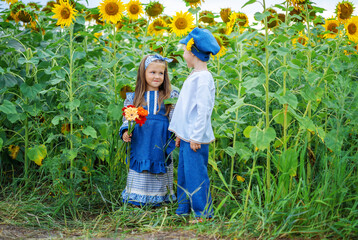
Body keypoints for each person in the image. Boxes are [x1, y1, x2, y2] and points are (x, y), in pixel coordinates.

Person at [168, 27, 220, 222]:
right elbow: (186, 110)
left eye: (184, 50)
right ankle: (184, 207)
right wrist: (181, 134)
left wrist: (196, 136)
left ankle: (202, 212)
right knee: (183, 173)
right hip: (188, 136)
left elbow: (203, 110)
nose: (183, 54)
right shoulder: (195, 75)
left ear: (192, 52)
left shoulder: (204, 79)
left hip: (195, 139)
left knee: (196, 174)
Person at [120, 54, 178, 207]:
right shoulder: (135, 98)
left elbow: (174, 117)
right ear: (143, 73)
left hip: (160, 139)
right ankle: (138, 198)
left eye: (161, 73)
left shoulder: (169, 96)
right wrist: (126, 131)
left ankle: (160, 198)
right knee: (141, 167)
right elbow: (128, 118)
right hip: (141, 140)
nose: (157, 76)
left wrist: (177, 133)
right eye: (153, 72)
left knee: (161, 166)